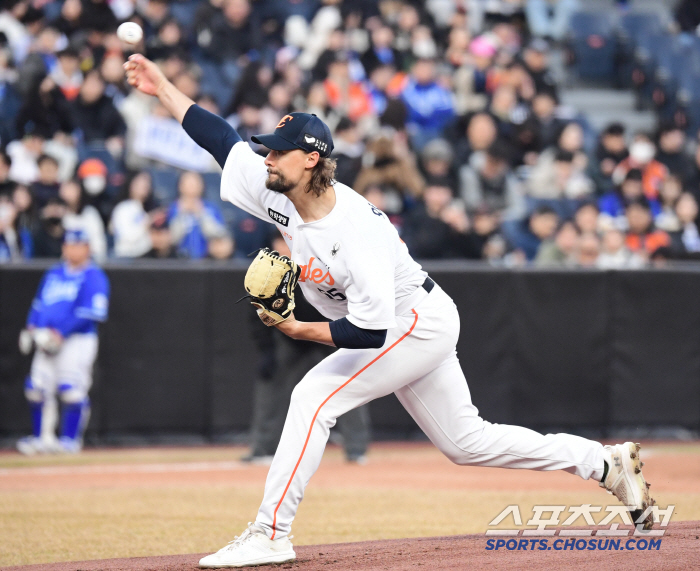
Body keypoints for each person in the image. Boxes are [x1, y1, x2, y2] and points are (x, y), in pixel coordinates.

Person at [124, 53, 655, 568]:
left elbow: (369, 332)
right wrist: (162, 85)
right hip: (414, 317)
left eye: (277, 152)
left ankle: (269, 534)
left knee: (312, 397)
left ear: (311, 160)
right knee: (467, 442)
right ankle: (602, 462)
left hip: (411, 321)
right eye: (266, 150)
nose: (265, 158)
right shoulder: (278, 191)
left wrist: (296, 328)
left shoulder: (354, 232)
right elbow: (220, 139)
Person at [16, 228, 110, 455]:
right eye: (69, 245)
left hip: (77, 340)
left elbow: (92, 312)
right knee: (35, 388)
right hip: (46, 338)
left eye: (78, 245)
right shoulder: (54, 273)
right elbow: (39, 305)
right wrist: (32, 327)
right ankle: (42, 439)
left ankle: (70, 440)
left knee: (70, 388)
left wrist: (61, 332)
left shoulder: (93, 276)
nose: (73, 249)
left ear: (87, 248)